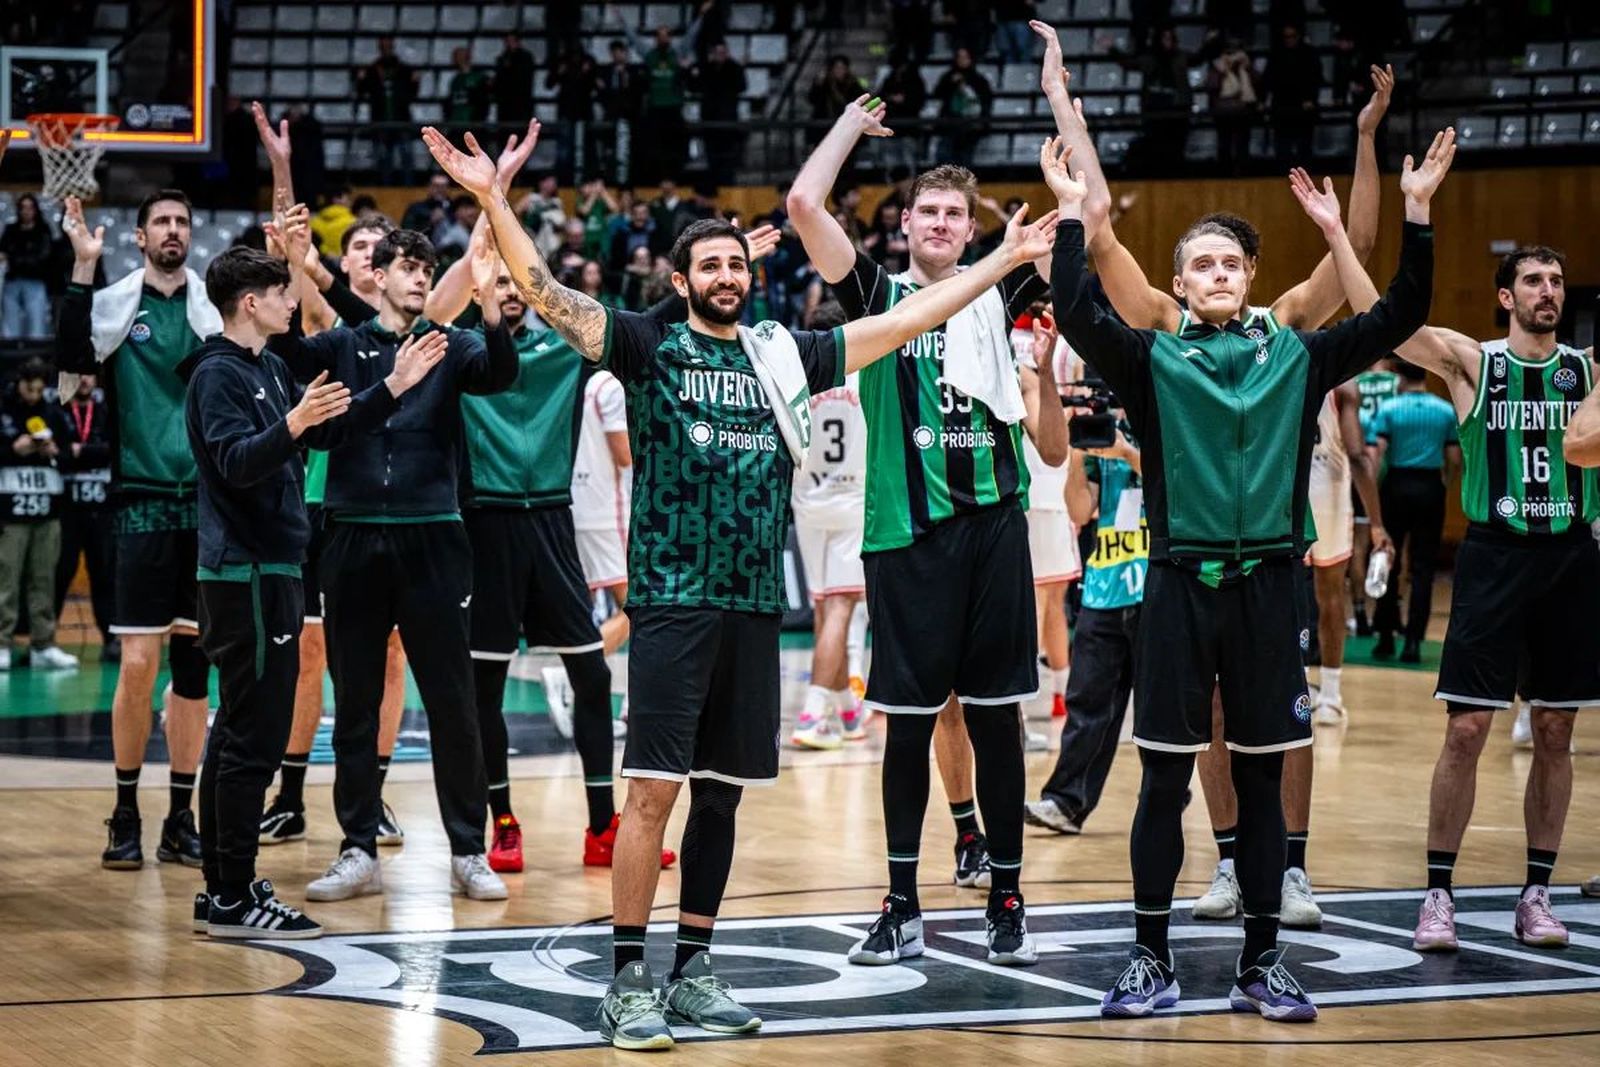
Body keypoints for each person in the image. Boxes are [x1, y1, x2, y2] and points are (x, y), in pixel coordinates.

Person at [423, 122, 1057, 1051]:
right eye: (708, 266)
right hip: (676, 600)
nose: (726, 275)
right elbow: (546, 297)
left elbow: (909, 320)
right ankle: (629, 976)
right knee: (653, 794)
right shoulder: (644, 344)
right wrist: (493, 201)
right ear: (681, 282)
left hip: (758, 604)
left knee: (721, 795)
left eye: (735, 264)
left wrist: (1002, 258)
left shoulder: (781, 353)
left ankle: (693, 969)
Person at [1044, 112, 1446, 1020]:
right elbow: (1076, 307)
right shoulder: (1151, 360)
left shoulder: (1298, 356)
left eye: (1233, 263)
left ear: (1251, 279)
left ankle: (1263, 960)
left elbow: (1402, 314)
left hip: (1271, 588)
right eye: (1203, 265)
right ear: (1178, 284)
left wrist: (1415, 215)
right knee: (1161, 779)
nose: (1220, 275)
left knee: (1264, 779)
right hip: (1179, 587)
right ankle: (1150, 956)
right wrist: (1073, 214)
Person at [787, 98, 1068, 967]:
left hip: (992, 532)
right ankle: (902, 900)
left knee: (995, 723)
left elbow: (1084, 227)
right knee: (908, 727)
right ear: (905, 224)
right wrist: (843, 128)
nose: (944, 223)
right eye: (930, 212)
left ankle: (1009, 896)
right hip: (903, 535)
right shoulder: (877, 295)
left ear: (974, 227)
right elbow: (803, 206)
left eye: (958, 214)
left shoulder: (1011, 283)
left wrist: (1062, 132)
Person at [1323, 239, 1599, 953]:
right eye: (1534, 280)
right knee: (1468, 729)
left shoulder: (1586, 374)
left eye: (1557, 281)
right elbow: (1380, 318)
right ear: (1507, 296)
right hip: (1494, 555)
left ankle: (1536, 891)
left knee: (1555, 730)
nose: (1549, 291)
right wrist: (1336, 238)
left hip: (1570, 557)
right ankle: (1437, 891)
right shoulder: (1473, 362)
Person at [180, 242, 443, 941]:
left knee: (243, 733)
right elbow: (236, 462)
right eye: (279, 291)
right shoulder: (217, 375)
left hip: (271, 568)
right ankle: (232, 894)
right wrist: (291, 423)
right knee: (250, 736)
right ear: (249, 303)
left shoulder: (265, 365)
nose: (290, 301)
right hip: (243, 574)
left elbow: (330, 428)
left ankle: (224, 888)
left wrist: (392, 385)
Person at [270, 220, 518, 904]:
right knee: (354, 704)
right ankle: (356, 847)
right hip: (351, 536)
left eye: (425, 267)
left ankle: (468, 849)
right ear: (375, 276)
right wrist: (294, 265)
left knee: (453, 703)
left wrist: (490, 297)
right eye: (406, 266)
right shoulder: (342, 347)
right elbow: (285, 348)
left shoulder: (451, 343)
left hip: (434, 537)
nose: (417, 276)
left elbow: (501, 372)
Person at [436, 225, 676, 876]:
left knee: (592, 676)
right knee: (480, 686)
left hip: (551, 522)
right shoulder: (460, 350)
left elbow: (644, 322)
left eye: (520, 283)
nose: (511, 292)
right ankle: (503, 824)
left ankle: (602, 826)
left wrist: (689, 276)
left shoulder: (567, 348)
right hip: (484, 526)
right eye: (501, 283)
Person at [58, 189, 218, 871]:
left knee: (193, 671)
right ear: (139, 236)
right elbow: (71, 356)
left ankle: (181, 816)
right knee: (138, 664)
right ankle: (125, 809)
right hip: (140, 506)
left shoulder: (214, 308)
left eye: (183, 221)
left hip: (205, 509)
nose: (174, 231)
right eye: (162, 222)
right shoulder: (119, 305)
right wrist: (81, 267)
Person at [1025, 409, 1146, 833]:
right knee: (1087, 702)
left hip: (1159, 587)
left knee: (1161, 710)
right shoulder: (1104, 434)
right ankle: (1066, 802)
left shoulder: (1168, 412)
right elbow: (1079, 510)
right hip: (1105, 586)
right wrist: (1079, 453)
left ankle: (1165, 797)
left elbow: (1182, 479)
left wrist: (1128, 452)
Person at [789, 300, 868, 749]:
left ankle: (847, 711)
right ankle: (813, 713)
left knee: (827, 610)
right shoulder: (864, 377)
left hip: (809, 504)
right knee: (840, 611)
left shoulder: (799, 383)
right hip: (853, 503)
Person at [1369, 361, 1460, 662]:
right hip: (1431, 487)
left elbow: (1377, 455)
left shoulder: (1390, 409)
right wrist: (1443, 483)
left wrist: (1377, 488)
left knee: (1387, 559)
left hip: (1395, 484)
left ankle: (1384, 637)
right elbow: (1454, 458)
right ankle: (1413, 643)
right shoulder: (1445, 410)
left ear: (1399, 377)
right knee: (1423, 568)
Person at [1014, 314, 1081, 721]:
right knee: (1044, 601)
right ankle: (1028, 702)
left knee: (1049, 600)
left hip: (1044, 489)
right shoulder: (1042, 355)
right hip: (1043, 487)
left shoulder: (1019, 351)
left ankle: (1059, 694)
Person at [0, 358, 78, 669]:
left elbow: (71, 451)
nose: (33, 394)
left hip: (48, 512)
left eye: (38, 388)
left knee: (43, 579)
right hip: (11, 514)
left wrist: (55, 451)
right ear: (18, 383)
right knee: (7, 579)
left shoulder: (53, 413)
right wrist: (11, 449)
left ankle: (43, 644)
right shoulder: (4, 413)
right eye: (28, 387)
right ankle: (2, 642)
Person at [54, 373, 117, 660]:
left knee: (104, 574)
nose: (83, 381)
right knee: (60, 573)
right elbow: (56, 454)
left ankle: (111, 637)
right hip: (66, 512)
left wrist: (80, 451)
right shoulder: (58, 411)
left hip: (101, 511)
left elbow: (113, 450)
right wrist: (75, 453)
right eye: (77, 375)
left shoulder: (106, 412)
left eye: (89, 375)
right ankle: (43, 641)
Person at [1349, 354, 1400, 634]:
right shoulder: (1397, 383)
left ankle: (1358, 613)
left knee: (1357, 545)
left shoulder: (1355, 382)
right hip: (1389, 469)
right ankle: (1392, 615)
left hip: (1357, 470)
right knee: (1396, 545)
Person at [356, 37, 419, 186]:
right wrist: (360, 80)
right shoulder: (372, 70)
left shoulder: (404, 69)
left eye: (388, 46)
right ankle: (385, 187)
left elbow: (412, 94)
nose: (386, 49)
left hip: (402, 119)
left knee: (406, 155)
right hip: (380, 120)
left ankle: (409, 187)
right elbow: (362, 92)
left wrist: (416, 82)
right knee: (383, 158)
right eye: (383, 46)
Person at [1263, 24, 1322, 166]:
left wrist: (1310, 98)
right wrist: (1263, 99)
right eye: (1286, 37)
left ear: (1298, 36)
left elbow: (1315, 78)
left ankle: (1305, 177)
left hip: (1303, 107)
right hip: (1282, 106)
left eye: (1292, 36)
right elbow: (1268, 79)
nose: (1289, 40)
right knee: (1282, 147)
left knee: (1304, 147)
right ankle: (1283, 176)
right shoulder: (1276, 54)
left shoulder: (1309, 54)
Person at [0, 193, 55, 340]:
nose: (26, 211)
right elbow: (3, 252)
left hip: (35, 281)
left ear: (35, 210)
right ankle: (11, 358)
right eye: (23, 208)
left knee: (37, 322)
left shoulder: (43, 231)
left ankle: (35, 359)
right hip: (12, 281)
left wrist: (13, 258)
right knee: (10, 325)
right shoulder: (11, 230)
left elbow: (44, 258)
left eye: (30, 208)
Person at [690, 41, 747, 177]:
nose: (720, 55)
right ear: (713, 54)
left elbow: (742, 87)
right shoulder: (706, 69)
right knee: (711, 157)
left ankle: (727, 181)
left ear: (727, 53)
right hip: (710, 121)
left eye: (723, 52)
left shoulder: (734, 68)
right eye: (718, 53)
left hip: (728, 121)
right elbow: (693, 87)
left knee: (727, 157)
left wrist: (740, 68)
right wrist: (692, 69)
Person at [932, 48, 993, 169]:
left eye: (965, 57)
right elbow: (937, 94)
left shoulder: (978, 80)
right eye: (959, 57)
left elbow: (986, 100)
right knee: (944, 158)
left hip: (970, 127)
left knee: (964, 161)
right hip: (949, 125)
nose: (962, 60)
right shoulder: (948, 77)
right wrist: (952, 83)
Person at [493, 35, 536, 125]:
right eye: (507, 41)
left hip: (521, 102)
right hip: (505, 103)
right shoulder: (502, 58)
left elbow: (524, 79)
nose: (509, 44)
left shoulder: (526, 57)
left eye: (511, 41)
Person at [445, 47, 491, 126]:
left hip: (472, 121)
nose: (460, 59)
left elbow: (483, 101)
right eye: (457, 56)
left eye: (462, 55)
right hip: (456, 122)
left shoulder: (479, 77)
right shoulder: (455, 80)